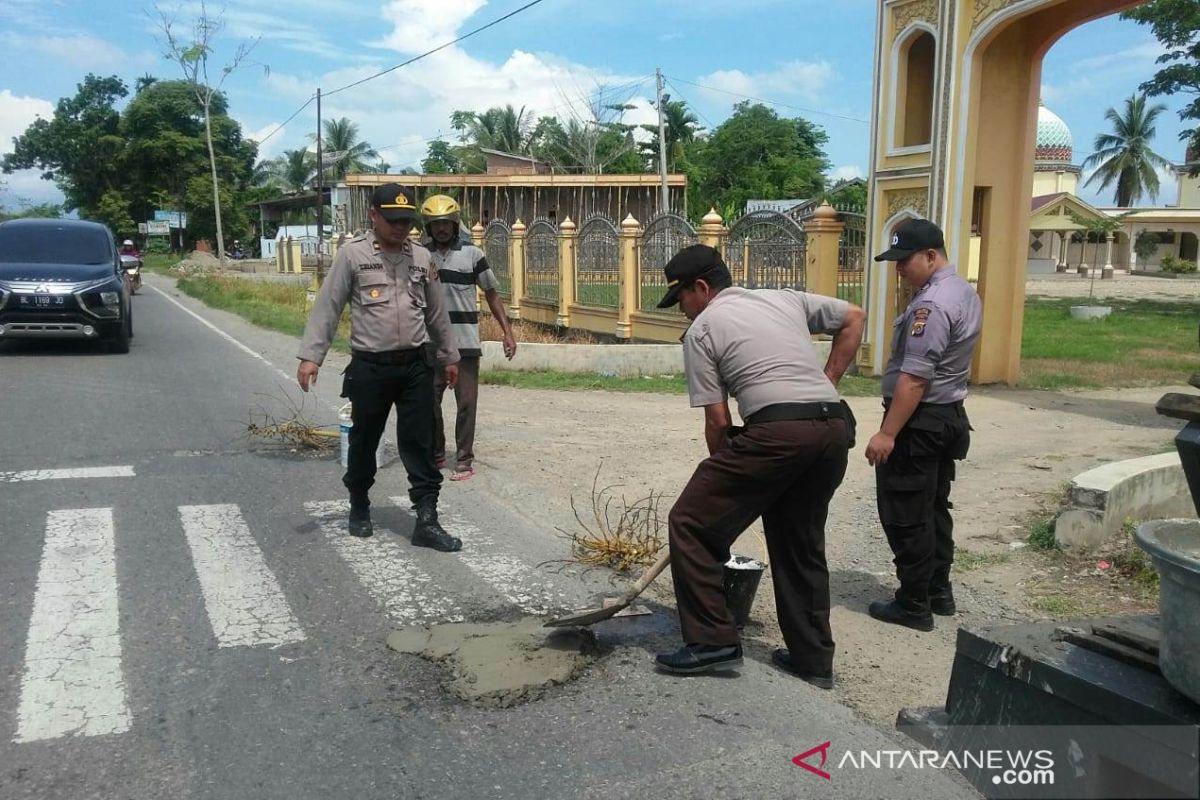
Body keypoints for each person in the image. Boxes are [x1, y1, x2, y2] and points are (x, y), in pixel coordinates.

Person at [652, 244, 865, 686]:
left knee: (691, 522)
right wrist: (829, 382)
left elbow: (718, 421)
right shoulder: (782, 298)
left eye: (683, 301)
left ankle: (712, 641)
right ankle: (812, 659)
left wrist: (727, 481)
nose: (683, 312)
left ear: (702, 288)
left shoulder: (703, 330)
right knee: (798, 539)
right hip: (832, 429)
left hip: (777, 433)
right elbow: (854, 316)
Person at [296, 183, 463, 552]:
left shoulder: (421, 258)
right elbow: (328, 306)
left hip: (416, 366)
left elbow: (437, 313)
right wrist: (312, 355)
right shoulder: (352, 256)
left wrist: (450, 356)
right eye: (392, 220)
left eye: (406, 220)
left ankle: (426, 519)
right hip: (370, 367)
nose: (400, 227)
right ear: (373, 215)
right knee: (364, 441)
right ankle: (359, 504)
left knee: (421, 442)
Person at [864, 219, 982, 631]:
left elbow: (915, 378)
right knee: (932, 507)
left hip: (918, 420)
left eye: (905, 260)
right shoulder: (963, 291)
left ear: (932, 255)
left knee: (906, 511)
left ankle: (913, 603)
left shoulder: (932, 305)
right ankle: (937, 590)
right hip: (946, 416)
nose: (899, 269)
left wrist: (887, 433)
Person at [420, 194, 517, 481]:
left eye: (446, 223)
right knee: (428, 403)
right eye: (436, 224)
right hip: (430, 344)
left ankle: (463, 459)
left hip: (466, 345)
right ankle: (437, 452)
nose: (442, 229)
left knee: (466, 404)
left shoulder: (473, 255)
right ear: (428, 226)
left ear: (455, 223)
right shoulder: (419, 255)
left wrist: (507, 332)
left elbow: (491, 294)